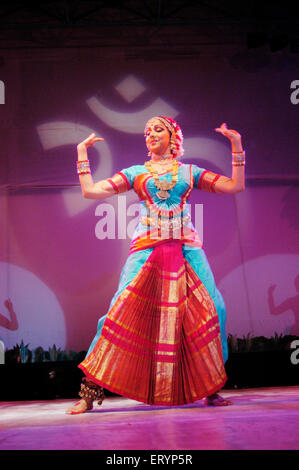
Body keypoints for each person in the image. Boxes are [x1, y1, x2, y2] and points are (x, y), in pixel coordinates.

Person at [66, 116, 245, 414]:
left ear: (173, 136)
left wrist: (237, 146)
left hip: (186, 247)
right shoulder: (137, 173)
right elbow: (90, 192)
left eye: (158, 129)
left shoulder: (189, 172)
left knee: (215, 308)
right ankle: (89, 391)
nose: (150, 134)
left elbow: (235, 186)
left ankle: (211, 386)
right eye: (147, 131)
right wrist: (82, 154)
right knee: (118, 310)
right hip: (147, 247)